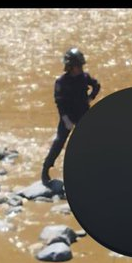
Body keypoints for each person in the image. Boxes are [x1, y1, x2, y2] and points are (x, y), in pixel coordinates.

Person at [41, 48, 101, 186]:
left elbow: (96, 85)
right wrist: (66, 119)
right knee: (59, 142)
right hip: (68, 116)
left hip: (83, 113)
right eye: (77, 66)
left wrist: (90, 97)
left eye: (81, 66)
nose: (80, 69)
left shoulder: (85, 77)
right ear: (69, 67)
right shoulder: (61, 82)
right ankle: (46, 169)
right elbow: (59, 102)